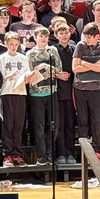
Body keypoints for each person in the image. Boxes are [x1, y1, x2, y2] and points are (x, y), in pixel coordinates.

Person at [72, 22, 100, 162]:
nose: (87, 40)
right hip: (80, 87)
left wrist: (85, 64)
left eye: (89, 37)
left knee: (96, 120)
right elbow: (75, 68)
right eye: (85, 37)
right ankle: (84, 151)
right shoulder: (80, 46)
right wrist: (94, 65)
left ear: (97, 37)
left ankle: (97, 150)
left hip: (95, 88)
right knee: (82, 119)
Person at [27, 26, 63, 164]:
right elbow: (30, 72)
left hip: (52, 92)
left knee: (54, 124)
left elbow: (58, 71)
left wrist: (44, 66)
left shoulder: (52, 51)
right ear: (35, 38)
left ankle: (50, 153)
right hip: (36, 94)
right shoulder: (30, 54)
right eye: (40, 36)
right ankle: (41, 155)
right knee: (39, 126)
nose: (43, 39)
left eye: (45, 36)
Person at [0, 32, 30, 166]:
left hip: (20, 93)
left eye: (16, 45)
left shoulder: (23, 58)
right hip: (7, 93)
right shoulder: (1, 59)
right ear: (6, 44)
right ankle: (7, 155)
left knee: (19, 124)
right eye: (11, 45)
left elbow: (27, 76)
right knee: (8, 124)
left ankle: (17, 154)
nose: (14, 47)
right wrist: (8, 76)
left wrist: (28, 78)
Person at [51, 24, 77, 164]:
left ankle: (70, 153)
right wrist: (58, 75)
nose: (64, 35)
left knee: (70, 124)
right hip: (57, 91)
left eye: (66, 32)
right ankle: (60, 153)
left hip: (71, 92)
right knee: (59, 125)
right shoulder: (52, 50)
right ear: (56, 35)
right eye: (61, 33)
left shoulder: (74, 49)